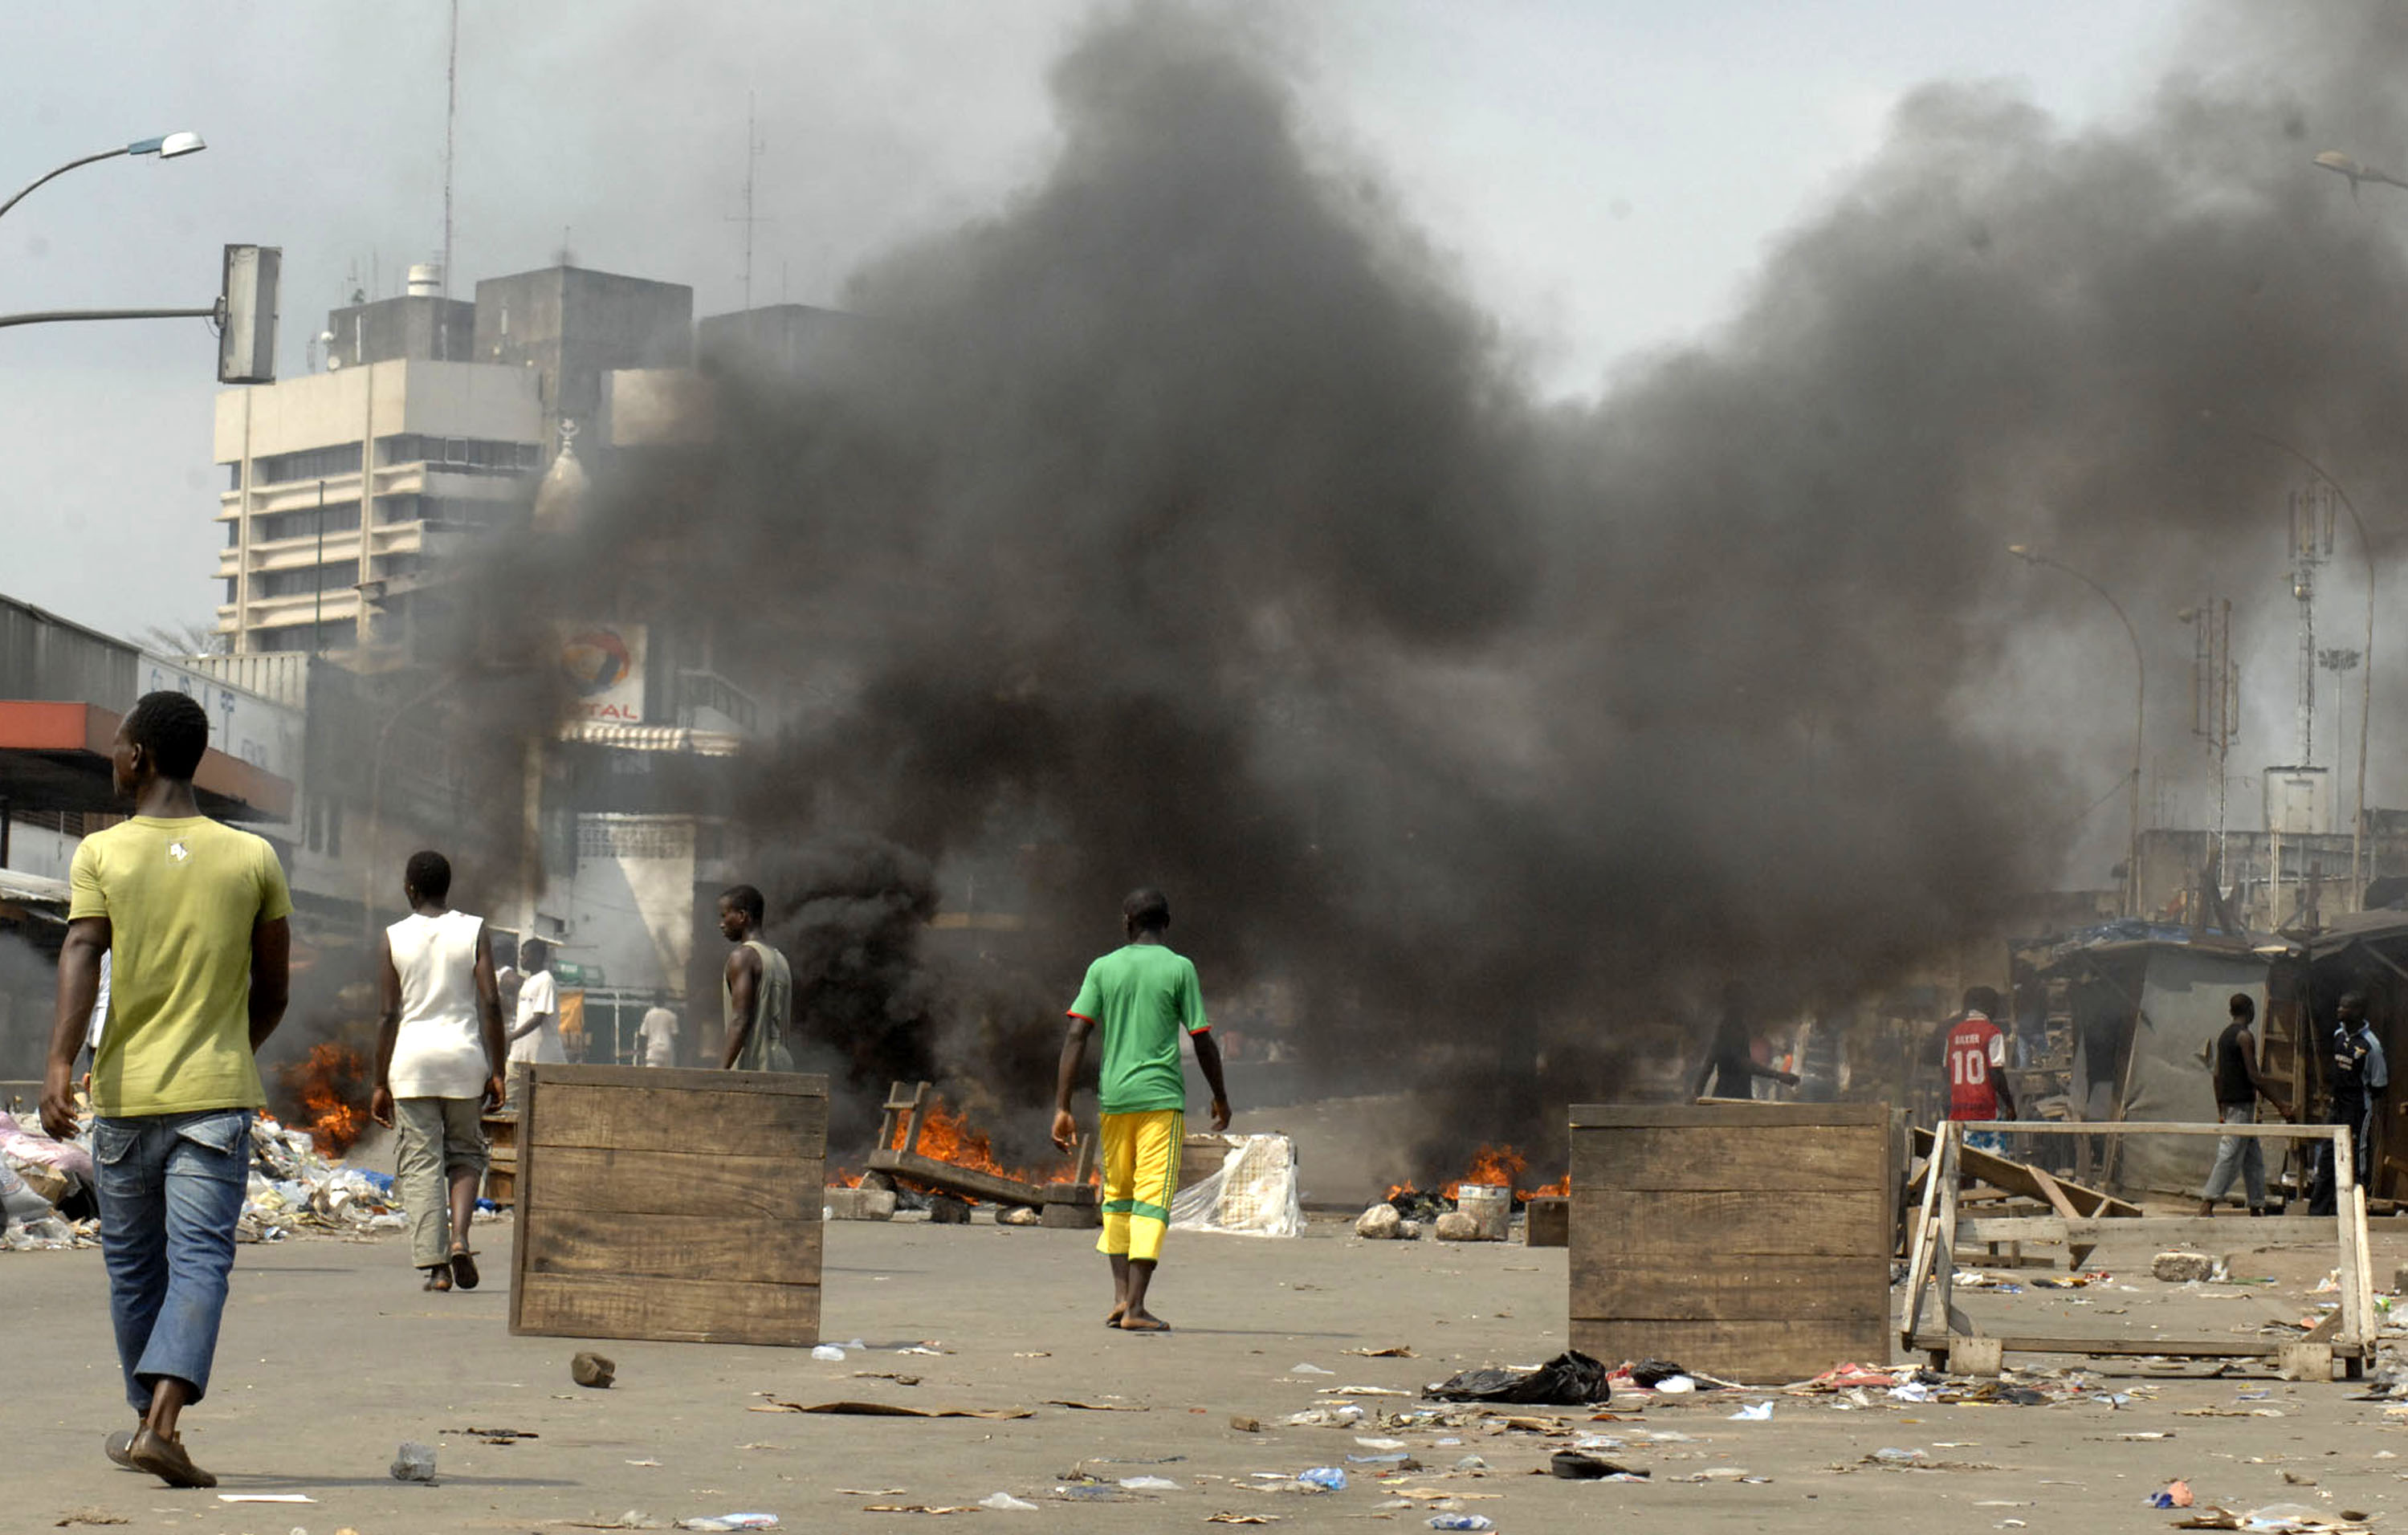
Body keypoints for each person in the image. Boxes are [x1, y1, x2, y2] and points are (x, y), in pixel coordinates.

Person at [39, 692, 291, 1489]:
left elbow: (82, 947)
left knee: (135, 1270)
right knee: (200, 1265)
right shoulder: (252, 857)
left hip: (125, 1098)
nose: (114, 757)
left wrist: (57, 1063)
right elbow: (274, 987)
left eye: (118, 746)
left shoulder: (104, 855)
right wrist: (226, 1052)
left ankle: (154, 1421)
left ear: (140, 755)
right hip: (213, 1101)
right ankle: (161, 1424)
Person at [1049, 888, 1232, 1333]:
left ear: (1127, 921)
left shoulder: (1103, 968)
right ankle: (1136, 1307)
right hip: (1160, 1100)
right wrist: (1221, 1096)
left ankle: (1118, 1299)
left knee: (1118, 1196)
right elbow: (1202, 1038)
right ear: (1166, 923)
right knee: (1152, 1200)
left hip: (1115, 1100)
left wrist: (1062, 1106)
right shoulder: (1179, 968)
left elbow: (1077, 1036)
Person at [367, 851, 507, 1291]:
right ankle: (461, 1239)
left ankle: (437, 1265)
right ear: (448, 887)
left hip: (411, 1065)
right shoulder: (473, 929)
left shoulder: (393, 936)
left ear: (410, 887)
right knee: (465, 1154)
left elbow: (389, 1014)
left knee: (422, 1164)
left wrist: (378, 1081)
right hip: (464, 1060)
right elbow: (490, 1002)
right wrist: (498, 1068)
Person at [2196, 993, 2292, 1217]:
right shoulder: (2244, 1037)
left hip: (2232, 1105)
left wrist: (2220, 1106)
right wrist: (2281, 1106)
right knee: (2229, 1153)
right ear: (2250, 1010)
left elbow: (2217, 1075)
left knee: (2252, 1156)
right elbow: (2254, 1076)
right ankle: (2207, 1203)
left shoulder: (2224, 1036)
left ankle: (2257, 1204)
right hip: (2241, 1106)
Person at [2312, 991, 2386, 1215]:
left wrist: (2359, 1101)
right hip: (2337, 1106)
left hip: (2357, 1109)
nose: (2339, 1011)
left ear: (2357, 1012)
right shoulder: (2338, 1036)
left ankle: (2355, 1209)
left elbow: (2379, 1084)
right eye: (2339, 1006)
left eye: (2344, 1007)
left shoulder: (2370, 1045)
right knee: (2327, 1155)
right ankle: (2319, 1210)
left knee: (2356, 1157)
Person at [718, 885, 794, 1071]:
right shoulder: (779, 958)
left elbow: (740, 1020)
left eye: (724, 915)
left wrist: (720, 1072)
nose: (721, 924)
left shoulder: (743, 957)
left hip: (754, 1066)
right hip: (782, 1065)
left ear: (742, 916)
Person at [1690, 985, 1800, 1101]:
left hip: (1726, 1097)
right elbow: (1743, 1063)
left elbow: (1710, 1062)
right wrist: (1778, 1075)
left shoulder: (1726, 1026)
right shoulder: (1733, 1027)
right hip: (1733, 1098)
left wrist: (1697, 1093)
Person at [1945, 986, 2016, 1153]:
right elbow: (1996, 1073)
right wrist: (2010, 1105)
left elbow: (1946, 1072)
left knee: (1962, 1163)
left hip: (1958, 1111)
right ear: (1989, 1007)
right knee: (1993, 1164)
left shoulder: (1952, 1034)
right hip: (1985, 1110)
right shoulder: (1992, 1033)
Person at [505, 938, 561, 1114]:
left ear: (537, 956)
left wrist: (510, 1037)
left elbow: (538, 1018)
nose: (521, 959)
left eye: (524, 954)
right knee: (509, 1102)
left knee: (539, 1106)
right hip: (518, 1054)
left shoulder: (546, 981)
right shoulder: (528, 983)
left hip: (540, 1056)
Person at [636, 992, 680, 1068]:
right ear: (664, 1001)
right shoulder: (671, 1015)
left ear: (654, 1001)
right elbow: (675, 1035)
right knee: (667, 1076)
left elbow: (643, 1035)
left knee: (652, 1076)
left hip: (653, 1050)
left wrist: (642, 1056)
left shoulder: (649, 1015)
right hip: (667, 1049)